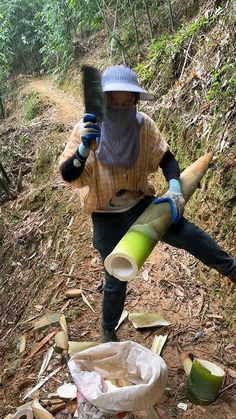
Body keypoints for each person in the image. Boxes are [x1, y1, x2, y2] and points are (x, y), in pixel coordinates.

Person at [59, 65, 236, 343]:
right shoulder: (86, 129)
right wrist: (82, 151)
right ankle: (107, 328)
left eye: (126, 100)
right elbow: (68, 173)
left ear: (135, 101)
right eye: (112, 100)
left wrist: (175, 188)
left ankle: (231, 269)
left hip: (142, 202)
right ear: (102, 102)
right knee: (116, 277)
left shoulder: (144, 126)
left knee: (189, 234)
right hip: (105, 214)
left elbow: (167, 158)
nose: (120, 106)